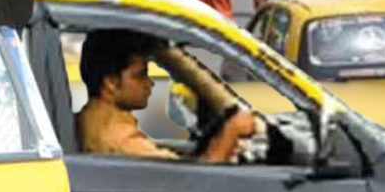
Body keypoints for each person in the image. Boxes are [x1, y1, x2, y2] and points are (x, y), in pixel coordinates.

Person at [75, 30, 257, 162]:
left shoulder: (92, 118)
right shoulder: (119, 140)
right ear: (111, 83)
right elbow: (191, 186)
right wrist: (230, 132)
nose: (150, 83)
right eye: (140, 75)